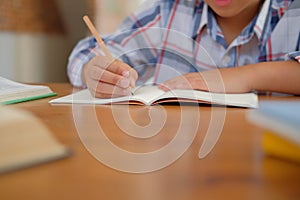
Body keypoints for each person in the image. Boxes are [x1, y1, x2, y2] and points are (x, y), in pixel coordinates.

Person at [67, 0, 300, 98]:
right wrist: (94, 71)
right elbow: (85, 53)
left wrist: (246, 77)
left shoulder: (294, 11)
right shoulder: (169, 10)